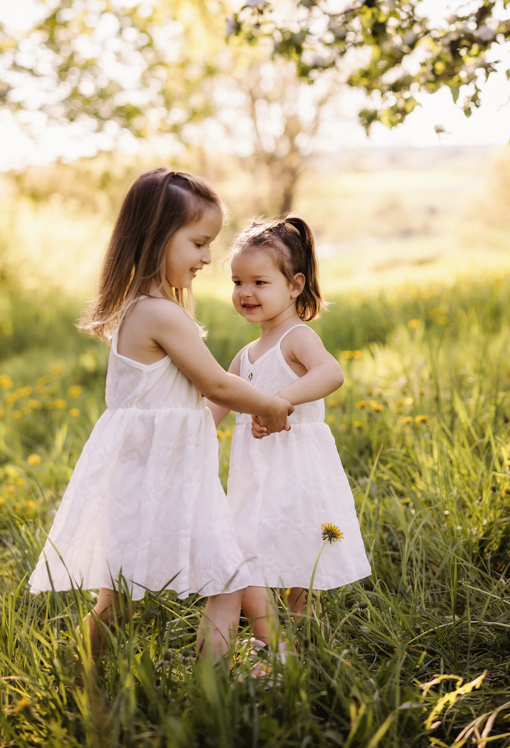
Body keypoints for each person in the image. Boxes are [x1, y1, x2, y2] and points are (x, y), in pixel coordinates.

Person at [28, 170, 293, 664]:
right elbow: (214, 383)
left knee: (200, 580)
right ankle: (250, 673)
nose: (207, 258)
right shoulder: (159, 313)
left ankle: (264, 658)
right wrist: (271, 404)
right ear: (156, 237)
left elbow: (187, 401)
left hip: (157, 472)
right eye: (197, 243)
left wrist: (220, 415)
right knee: (167, 589)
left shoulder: (144, 308)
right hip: (156, 476)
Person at [208, 215, 371, 676]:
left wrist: (280, 400)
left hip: (295, 472)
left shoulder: (296, 337)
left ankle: (309, 649)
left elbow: (330, 374)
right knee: (248, 556)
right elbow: (217, 400)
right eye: (238, 281)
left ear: (295, 284)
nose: (246, 292)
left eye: (260, 281)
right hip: (253, 476)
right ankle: (273, 647)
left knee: (296, 565)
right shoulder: (246, 353)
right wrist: (186, 430)